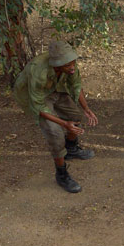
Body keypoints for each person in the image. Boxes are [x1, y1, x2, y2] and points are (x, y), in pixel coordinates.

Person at [12, 41, 98, 193]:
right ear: (57, 65)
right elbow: (38, 106)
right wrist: (64, 124)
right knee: (55, 134)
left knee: (75, 116)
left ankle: (71, 149)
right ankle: (61, 174)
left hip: (54, 88)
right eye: (68, 65)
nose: (72, 67)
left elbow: (75, 86)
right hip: (36, 98)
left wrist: (86, 109)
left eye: (73, 63)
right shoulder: (39, 73)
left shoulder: (69, 63)